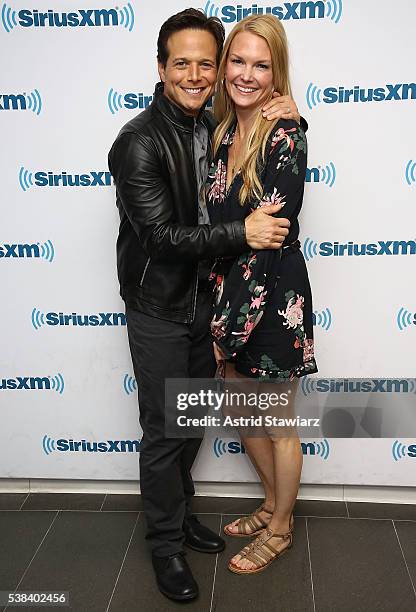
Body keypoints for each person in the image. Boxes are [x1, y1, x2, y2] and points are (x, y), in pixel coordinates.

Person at [108, 8, 301, 601]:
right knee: (165, 430)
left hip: (207, 303)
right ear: (161, 67)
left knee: (191, 421)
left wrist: (287, 107)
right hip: (160, 305)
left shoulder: (215, 122)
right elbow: (162, 239)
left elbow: (266, 130)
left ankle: (181, 511)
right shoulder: (139, 142)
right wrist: (243, 232)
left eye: (204, 62)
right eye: (180, 62)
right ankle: (165, 545)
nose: (194, 74)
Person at [206, 14, 318, 574]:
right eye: (238, 61)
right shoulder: (222, 130)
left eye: (261, 64)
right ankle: (273, 503)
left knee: (277, 419)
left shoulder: (285, 131)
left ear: (277, 73)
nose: (246, 74)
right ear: (226, 64)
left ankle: (280, 527)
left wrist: (235, 320)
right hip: (229, 290)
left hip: (273, 294)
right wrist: (221, 316)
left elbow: (270, 225)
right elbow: (230, 225)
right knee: (242, 410)